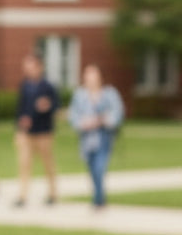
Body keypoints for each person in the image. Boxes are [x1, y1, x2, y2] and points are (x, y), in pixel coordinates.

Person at [68, 64, 124, 208]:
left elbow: (117, 114)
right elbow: (73, 116)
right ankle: (99, 195)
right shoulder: (80, 96)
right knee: (92, 168)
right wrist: (84, 123)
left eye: (93, 77)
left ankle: (98, 199)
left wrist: (102, 120)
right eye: (88, 77)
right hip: (87, 138)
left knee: (100, 167)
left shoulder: (109, 94)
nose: (90, 80)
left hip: (103, 137)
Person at [13, 53, 60, 207]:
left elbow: (56, 106)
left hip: (43, 132)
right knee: (24, 163)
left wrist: (48, 106)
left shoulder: (48, 86)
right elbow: (20, 107)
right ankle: (22, 195)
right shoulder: (25, 85)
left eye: (31, 66)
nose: (28, 70)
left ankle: (52, 193)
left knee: (48, 164)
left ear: (40, 67)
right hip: (26, 132)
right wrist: (20, 123)